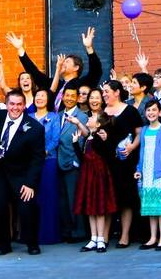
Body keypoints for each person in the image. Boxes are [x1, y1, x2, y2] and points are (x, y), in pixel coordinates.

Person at [0, 89, 46, 255]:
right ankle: (2, 245)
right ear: (6, 104)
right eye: (12, 104)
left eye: (19, 104)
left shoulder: (35, 128)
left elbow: (38, 159)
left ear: (24, 106)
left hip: (22, 175)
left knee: (27, 208)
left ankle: (32, 244)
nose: (15, 107)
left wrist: (30, 184)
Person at [6, 28, 103, 110]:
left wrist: (89, 48)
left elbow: (96, 71)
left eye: (67, 62)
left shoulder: (82, 83)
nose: (62, 63)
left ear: (76, 68)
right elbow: (34, 73)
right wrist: (20, 50)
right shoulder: (55, 83)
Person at [101, 79, 144, 248]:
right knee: (107, 199)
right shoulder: (102, 112)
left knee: (126, 199)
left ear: (117, 92)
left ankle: (125, 235)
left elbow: (139, 133)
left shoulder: (130, 111)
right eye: (103, 92)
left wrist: (132, 147)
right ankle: (103, 236)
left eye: (107, 91)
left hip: (125, 162)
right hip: (105, 162)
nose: (104, 94)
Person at [72, 88, 117, 252]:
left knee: (99, 209)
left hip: (99, 175)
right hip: (88, 174)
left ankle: (100, 239)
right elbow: (83, 157)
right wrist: (76, 143)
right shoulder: (88, 138)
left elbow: (107, 153)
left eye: (92, 118)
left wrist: (103, 138)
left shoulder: (99, 136)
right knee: (90, 208)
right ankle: (93, 238)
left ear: (97, 124)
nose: (89, 118)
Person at [135, 99, 161, 250]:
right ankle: (153, 237)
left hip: (160, 174)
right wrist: (139, 170)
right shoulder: (145, 130)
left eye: (154, 110)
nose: (151, 113)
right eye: (148, 110)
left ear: (160, 113)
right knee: (150, 207)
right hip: (147, 171)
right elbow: (142, 152)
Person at [29, 88, 61, 245]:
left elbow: (56, 139)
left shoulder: (54, 117)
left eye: (42, 96)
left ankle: (49, 235)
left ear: (48, 99)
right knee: (33, 198)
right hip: (30, 163)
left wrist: (43, 152)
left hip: (48, 161)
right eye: (37, 96)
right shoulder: (27, 117)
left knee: (48, 197)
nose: (39, 98)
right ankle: (31, 235)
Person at [57, 87, 88, 243]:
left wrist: (76, 161)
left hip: (72, 163)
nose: (69, 98)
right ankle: (67, 230)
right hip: (59, 163)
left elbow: (83, 139)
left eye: (72, 96)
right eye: (66, 95)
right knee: (63, 199)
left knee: (73, 198)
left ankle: (79, 231)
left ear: (77, 98)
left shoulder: (81, 116)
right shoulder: (58, 115)